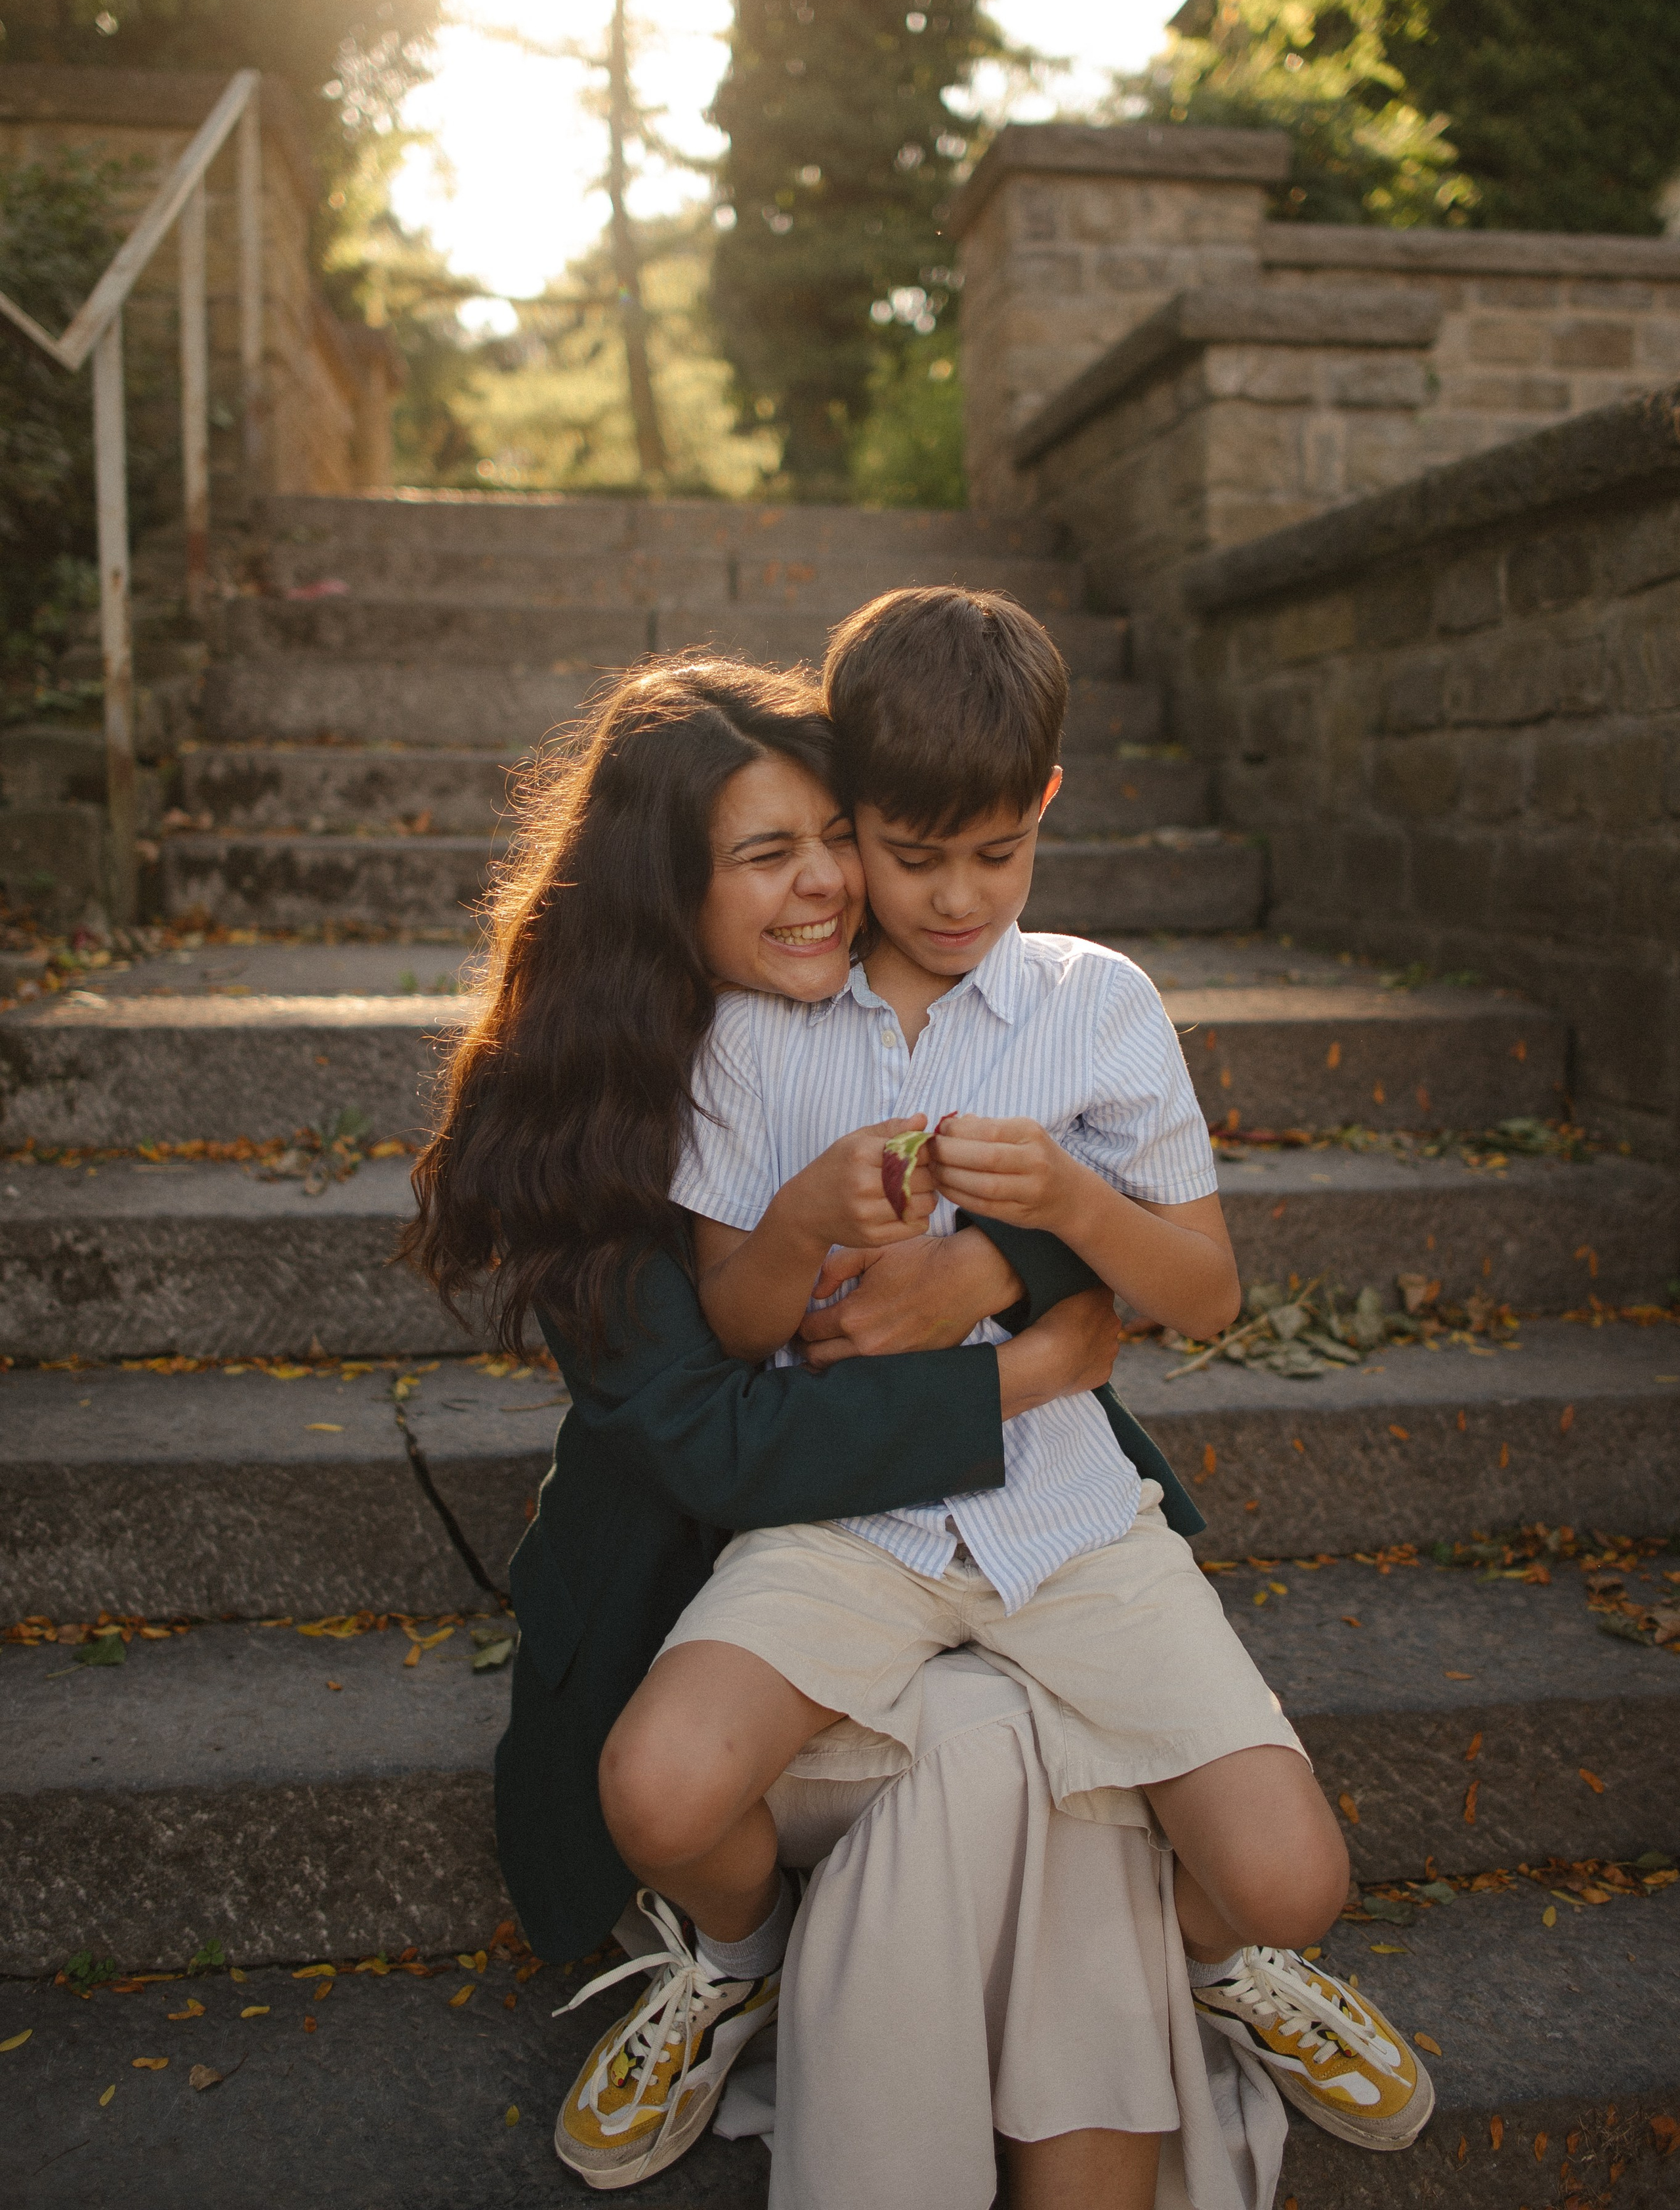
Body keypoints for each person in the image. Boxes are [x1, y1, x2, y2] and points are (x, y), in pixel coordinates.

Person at [592, 592, 1433, 2183]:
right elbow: (722, 1317)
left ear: (1045, 804)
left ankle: (1212, 1966)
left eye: (996, 852)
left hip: (1062, 1508)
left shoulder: (1092, 1004)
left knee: (1289, 1878)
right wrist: (797, 1219)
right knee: (657, 1786)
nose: (955, 895)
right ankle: (737, 1957)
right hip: (846, 1513)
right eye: (912, 855)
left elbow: (1203, 1289)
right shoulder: (754, 1031)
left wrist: (1061, 1207)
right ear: (848, 812)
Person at [403, 657, 1185, 2198]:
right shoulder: (577, 1113)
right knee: (914, 1768)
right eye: (768, 855)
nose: (831, 881)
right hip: (712, 1574)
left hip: (964, 1540)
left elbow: (1082, 1150)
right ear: (659, 892)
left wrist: (1003, 1259)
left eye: (837, 833)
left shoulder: (921, 988)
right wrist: (1024, 1367)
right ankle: (734, 1956)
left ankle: (1213, 1950)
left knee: (1025, 1762)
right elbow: (710, 1439)